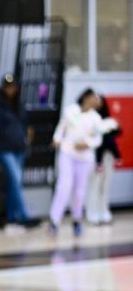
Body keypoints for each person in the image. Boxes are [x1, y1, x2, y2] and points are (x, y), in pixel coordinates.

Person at [49, 88, 116, 235]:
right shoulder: (71, 111)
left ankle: (77, 219)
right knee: (64, 186)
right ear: (86, 97)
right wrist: (56, 139)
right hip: (68, 153)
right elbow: (61, 128)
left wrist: (87, 143)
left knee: (79, 190)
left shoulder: (96, 118)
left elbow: (97, 139)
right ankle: (54, 221)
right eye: (93, 97)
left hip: (84, 158)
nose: (96, 101)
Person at [0, 74, 31, 232]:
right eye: (7, 86)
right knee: (15, 180)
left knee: (13, 183)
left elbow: (25, 124)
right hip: (2, 147)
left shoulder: (18, 104)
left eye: (13, 86)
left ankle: (10, 218)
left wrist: (26, 142)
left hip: (18, 147)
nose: (10, 89)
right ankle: (23, 217)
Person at [86, 95, 121, 225]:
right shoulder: (89, 118)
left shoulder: (108, 119)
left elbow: (117, 132)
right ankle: (92, 212)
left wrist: (112, 125)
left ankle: (104, 211)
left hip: (108, 156)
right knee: (94, 184)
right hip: (95, 157)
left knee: (105, 185)